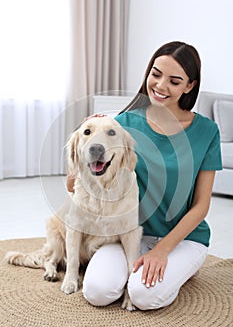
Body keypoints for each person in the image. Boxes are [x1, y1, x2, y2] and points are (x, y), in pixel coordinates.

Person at [66, 41, 222, 310]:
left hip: (185, 238)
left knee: (143, 296)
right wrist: (85, 133)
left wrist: (163, 250)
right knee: (97, 291)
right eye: (156, 74)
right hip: (127, 234)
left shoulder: (207, 132)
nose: (161, 86)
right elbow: (75, 184)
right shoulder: (122, 124)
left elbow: (201, 205)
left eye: (174, 81)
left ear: (189, 86)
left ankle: (184, 266)